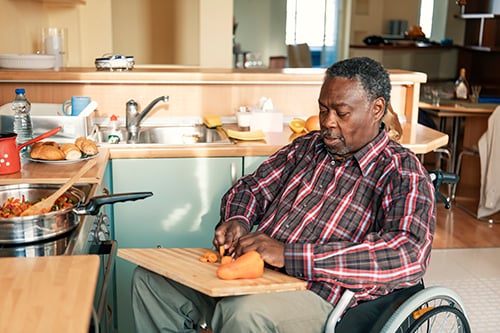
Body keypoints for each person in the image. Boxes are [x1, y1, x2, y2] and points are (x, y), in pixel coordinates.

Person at [131, 57, 436, 333]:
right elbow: (251, 187)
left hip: (318, 293)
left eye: (341, 113)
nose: (328, 121)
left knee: (243, 314)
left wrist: (289, 255)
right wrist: (238, 219)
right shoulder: (307, 147)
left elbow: (406, 254)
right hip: (253, 268)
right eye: (323, 109)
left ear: (377, 109)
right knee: (152, 282)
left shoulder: (402, 172)